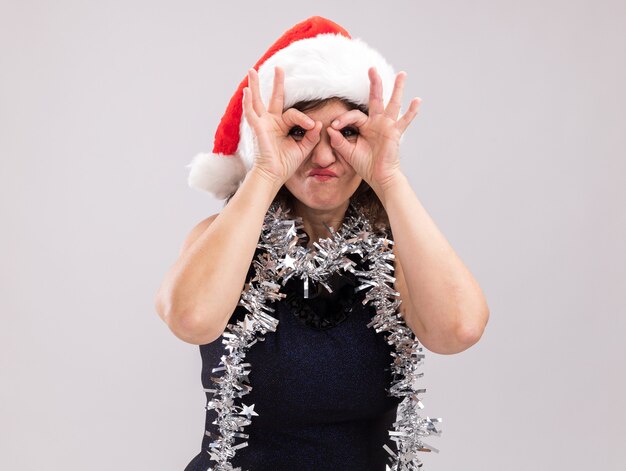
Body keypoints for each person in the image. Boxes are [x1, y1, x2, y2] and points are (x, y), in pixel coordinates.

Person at [154, 16, 489, 471]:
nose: (325, 155)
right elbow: (190, 319)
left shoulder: (397, 250)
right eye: (299, 133)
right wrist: (267, 171)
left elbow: (459, 330)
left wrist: (388, 177)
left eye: (347, 132)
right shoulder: (219, 237)